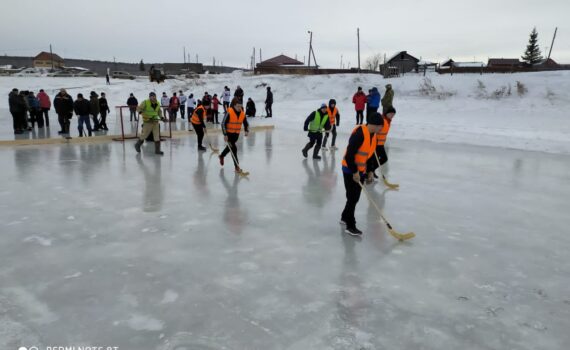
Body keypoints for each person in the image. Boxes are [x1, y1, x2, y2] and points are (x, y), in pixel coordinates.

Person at [340, 112, 384, 236]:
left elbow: (369, 156)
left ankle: (344, 216)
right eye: (380, 125)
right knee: (353, 197)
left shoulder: (373, 135)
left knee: (354, 198)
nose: (381, 128)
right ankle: (350, 225)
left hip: (361, 170)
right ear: (374, 124)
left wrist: (370, 171)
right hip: (349, 169)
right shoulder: (360, 134)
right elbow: (349, 156)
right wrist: (354, 172)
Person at [366, 107, 396, 182]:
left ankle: (371, 171)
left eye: (393, 114)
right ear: (387, 113)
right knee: (376, 159)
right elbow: (372, 128)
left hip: (381, 144)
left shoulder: (388, 121)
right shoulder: (382, 120)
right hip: (376, 143)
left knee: (381, 159)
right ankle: (369, 172)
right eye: (391, 114)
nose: (392, 115)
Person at [219, 98, 249, 172]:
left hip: (236, 135)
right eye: (238, 106)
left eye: (240, 106)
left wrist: (246, 130)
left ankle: (221, 156)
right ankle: (237, 167)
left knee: (230, 147)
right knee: (234, 149)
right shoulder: (229, 112)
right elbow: (223, 123)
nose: (239, 108)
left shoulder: (242, 113)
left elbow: (246, 123)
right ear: (234, 105)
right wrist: (225, 134)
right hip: (229, 134)